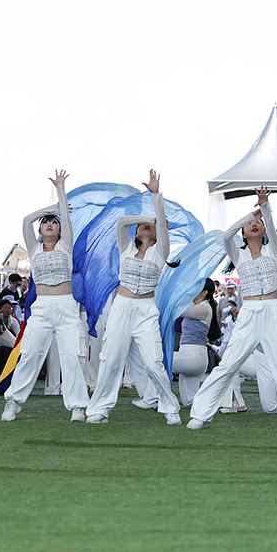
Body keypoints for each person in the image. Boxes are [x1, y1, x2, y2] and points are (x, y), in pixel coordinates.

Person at [188, 187, 277, 430]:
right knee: (228, 363)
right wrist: (250, 214)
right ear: (244, 234)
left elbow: (270, 224)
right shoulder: (238, 254)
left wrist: (264, 207)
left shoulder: (272, 249)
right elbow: (227, 235)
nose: (255, 224)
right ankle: (201, 414)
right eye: (250, 224)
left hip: (273, 311)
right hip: (249, 313)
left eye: (258, 223)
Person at [86, 170, 182, 425]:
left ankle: (169, 407)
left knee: (153, 361)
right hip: (121, 307)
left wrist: (156, 195)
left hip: (146, 310)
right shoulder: (126, 247)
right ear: (136, 234)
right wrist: (148, 218)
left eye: (151, 226)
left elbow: (162, 226)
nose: (145, 227)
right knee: (111, 360)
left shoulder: (160, 252)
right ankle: (100, 409)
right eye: (141, 226)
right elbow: (121, 222)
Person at [3, 171, 91, 422]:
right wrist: (49, 209)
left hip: (66, 307)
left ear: (60, 229)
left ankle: (78, 406)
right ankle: (13, 401)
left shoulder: (66, 245)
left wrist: (61, 190)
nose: (49, 224)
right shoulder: (34, 248)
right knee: (30, 355)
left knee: (72, 357)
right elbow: (26, 220)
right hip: (41, 308)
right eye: (45, 222)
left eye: (54, 222)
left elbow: (66, 217)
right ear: (40, 229)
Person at [175, 278, 222, 408]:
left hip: (194, 357)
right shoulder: (196, 306)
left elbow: (178, 310)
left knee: (158, 359)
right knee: (190, 402)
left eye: (195, 288)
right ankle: (222, 401)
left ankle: (152, 398)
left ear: (204, 293)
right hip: (188, 356)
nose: (191, 290)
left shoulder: (204, 308)